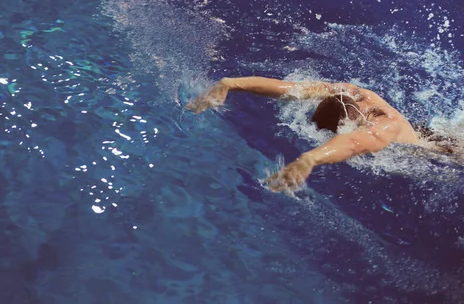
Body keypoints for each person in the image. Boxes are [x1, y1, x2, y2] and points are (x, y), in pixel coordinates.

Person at [187, 76, 454, 193]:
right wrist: (230, 84)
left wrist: (310, 159)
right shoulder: (350, 92)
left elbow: (352, 142)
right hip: (424, 132)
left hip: (441, 152)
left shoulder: (385, 125)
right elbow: (290, 88)